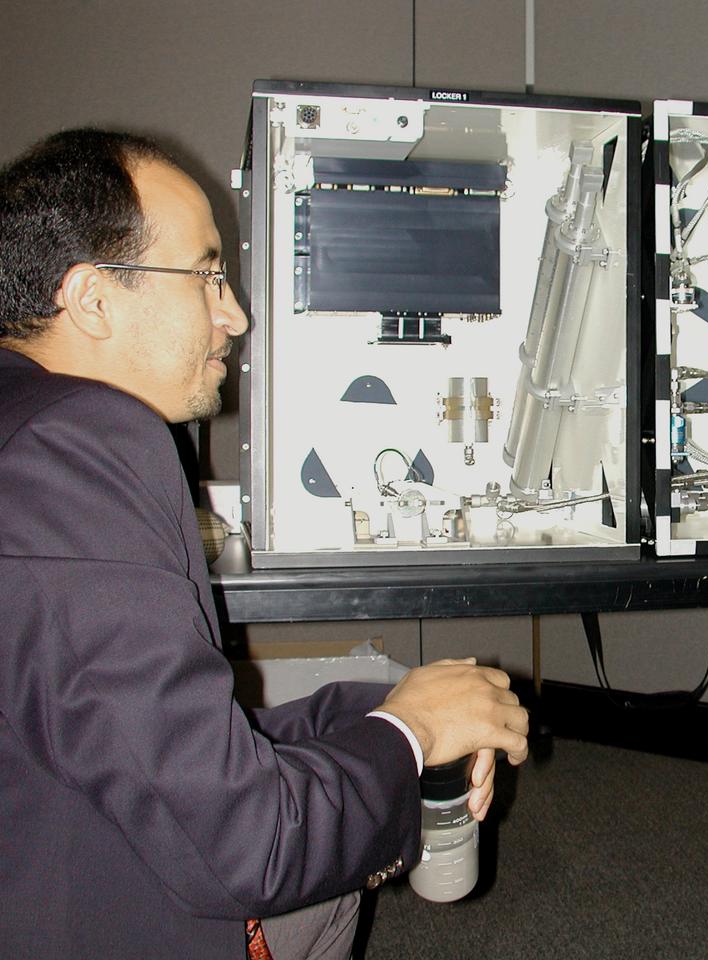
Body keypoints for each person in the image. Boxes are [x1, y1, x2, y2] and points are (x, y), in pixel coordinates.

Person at [0, 129, 530, 959]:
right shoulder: (77, 446)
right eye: (207, 274)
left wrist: (392, 708)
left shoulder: (27, 431)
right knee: (324, 875)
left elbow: (159, 745)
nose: (236, 315)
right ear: (94, 298)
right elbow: (250, 842)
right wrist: (412, 736)